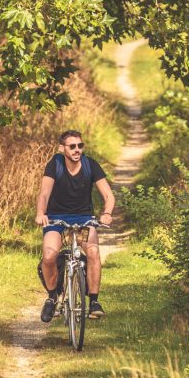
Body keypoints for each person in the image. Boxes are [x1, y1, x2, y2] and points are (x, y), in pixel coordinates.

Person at [36, 129, 115, 323]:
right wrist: (41, 213)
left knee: (94, 253)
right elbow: (44, 193)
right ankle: (52, 297)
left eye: (80, 146)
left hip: (83, 219)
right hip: (56, 219)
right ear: (62, 148)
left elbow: (108, 195)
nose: (77, 150)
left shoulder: (90, 165)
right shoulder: (55, 164)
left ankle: (94, 302)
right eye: (72, 146)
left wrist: (107, 213)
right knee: (49, 256)